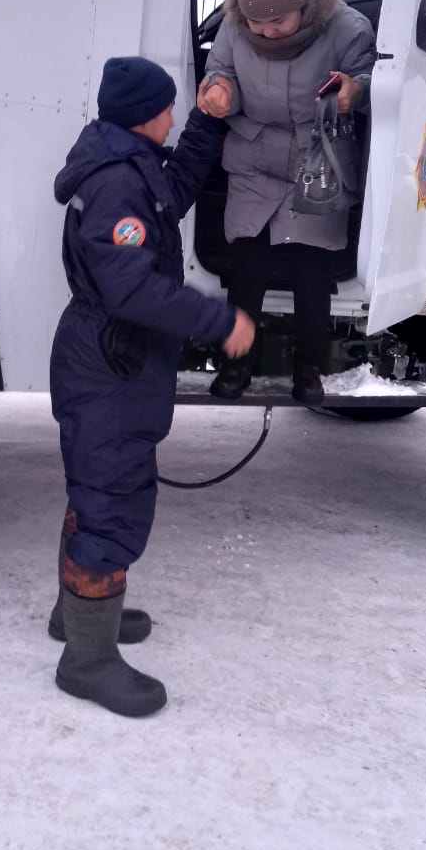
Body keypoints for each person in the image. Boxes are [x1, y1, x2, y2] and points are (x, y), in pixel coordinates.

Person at [49, 55, 255, 718]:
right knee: (110, 499)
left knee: (99, 491)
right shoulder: (116, 187)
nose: (173, 115)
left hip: (116, 362)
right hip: (110, 365)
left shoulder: (131, 162)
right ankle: (87, 659)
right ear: (145, 116)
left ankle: (75, 615)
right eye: (170, 107)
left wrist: (207, 121)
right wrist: (219, 320)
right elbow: (131, 286)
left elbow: (177, 188)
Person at [200, 0, 375, 405]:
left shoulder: (347, 27)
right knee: (248, 268)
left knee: (311, 272)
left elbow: (375, 80)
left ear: (303, 1)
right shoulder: (236, 27)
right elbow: (221, 72)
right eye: (257, 22)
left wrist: (355, 92)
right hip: (254, 162)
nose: (267, 31)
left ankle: (309, 370)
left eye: (277, 20)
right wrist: (218, 91)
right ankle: (236, 366)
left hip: (317, 165)